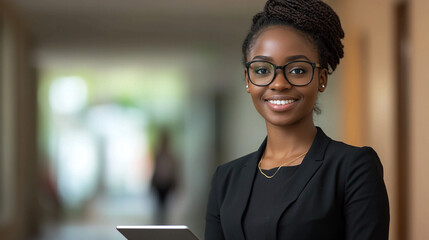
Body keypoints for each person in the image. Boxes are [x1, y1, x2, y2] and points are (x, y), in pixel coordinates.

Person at [204, 0, 390, 239]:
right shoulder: (226, 179)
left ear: (321, 78)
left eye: (297, 70)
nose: (279, 83)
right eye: (262, 70)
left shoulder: (353, 168)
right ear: (248, 80)